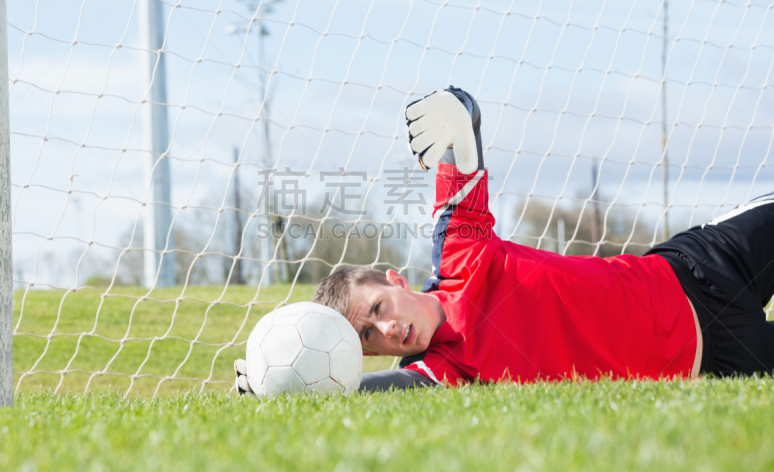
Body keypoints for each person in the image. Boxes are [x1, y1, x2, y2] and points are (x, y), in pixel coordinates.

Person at [235, 86, 774, 394]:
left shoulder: (459, 258)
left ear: (395, 280)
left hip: (694, 269)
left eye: (377, 308)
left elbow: (461, 153)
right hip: (721, 359)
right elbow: (357, 391)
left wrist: (457, 110)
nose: (388, 329)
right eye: (370, 337)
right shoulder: (441, 372)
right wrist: (278, 382)